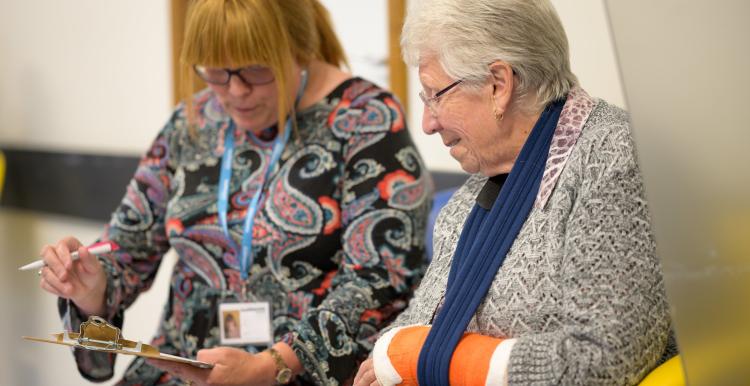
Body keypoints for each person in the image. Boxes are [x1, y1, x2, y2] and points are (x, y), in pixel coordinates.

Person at [37, 0, 432, 384]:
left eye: (257, 70)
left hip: (294, 370)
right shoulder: (191, 123)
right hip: (186, 365)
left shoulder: (366, 120)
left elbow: (380, 280)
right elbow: (127, 245)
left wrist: (271, 365)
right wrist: (93, 290)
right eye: (217, 72)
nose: (236, 91)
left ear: (299, 50)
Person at [354, 0, 673, 385]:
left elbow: (603, 360)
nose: (427, 123)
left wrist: (424, 359)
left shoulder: (614, 159)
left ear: (498, 85)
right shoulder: (477, 188)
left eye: (435, 94)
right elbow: (425, 321)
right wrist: (387, 358)